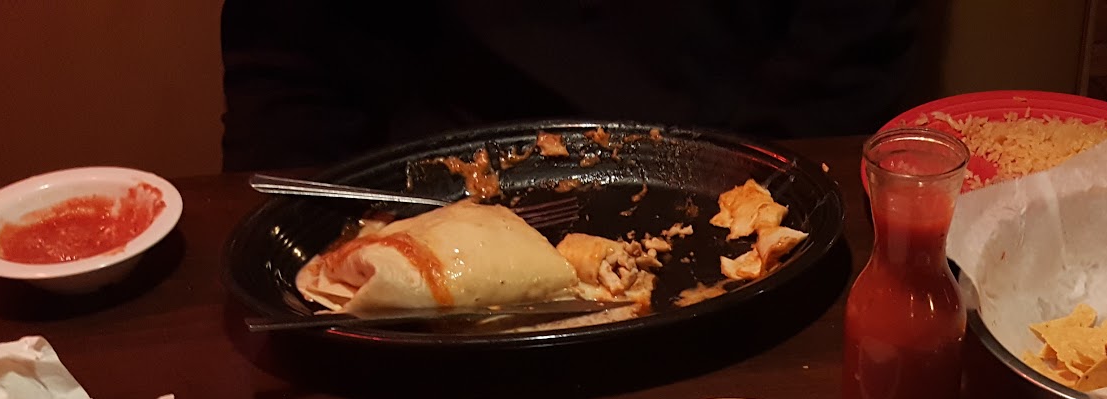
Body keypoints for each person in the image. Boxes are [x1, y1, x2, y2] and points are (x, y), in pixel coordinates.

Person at [221, 0, 925, 171]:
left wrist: (758, 189)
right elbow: (286, 52)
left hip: (743, 168)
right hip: (427, 181)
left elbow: (848, 43)